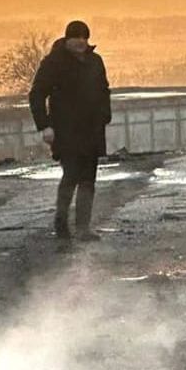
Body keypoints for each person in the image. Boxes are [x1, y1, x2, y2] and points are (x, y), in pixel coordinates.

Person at [28, 20, 111, 246]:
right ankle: (61, 222)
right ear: (67, 39)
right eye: (77, 37)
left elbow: (104, 90)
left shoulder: (95, 61)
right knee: (71, 175)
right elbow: (36, 95)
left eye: (85, 37)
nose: (81, 42)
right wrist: (44, 126)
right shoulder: (54, 63)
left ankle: (83, 228)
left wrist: (105, 115)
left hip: (92, 130)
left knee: (88, 179)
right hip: (65, 131)